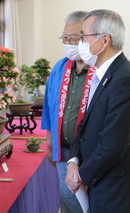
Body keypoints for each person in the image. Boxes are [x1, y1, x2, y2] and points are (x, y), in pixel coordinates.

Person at [65, 9, 130, 212]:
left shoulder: (125, 79)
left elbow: (113, 144)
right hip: (99, 179)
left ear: (104, 40)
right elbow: (85, 126)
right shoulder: (102, 74)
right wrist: (73, 161)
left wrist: (81, 175)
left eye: (83, 37)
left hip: (115, 187)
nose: (80, 44)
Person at [41, 11, 95, 213]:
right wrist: (49, 139)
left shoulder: (99, 70)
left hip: (92, 153)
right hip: (64, 151)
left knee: (91, 203)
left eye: (73, 38)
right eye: (65, 38)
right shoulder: (59, 68)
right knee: (69, 202)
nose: (68, 43)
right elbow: (48, 104)